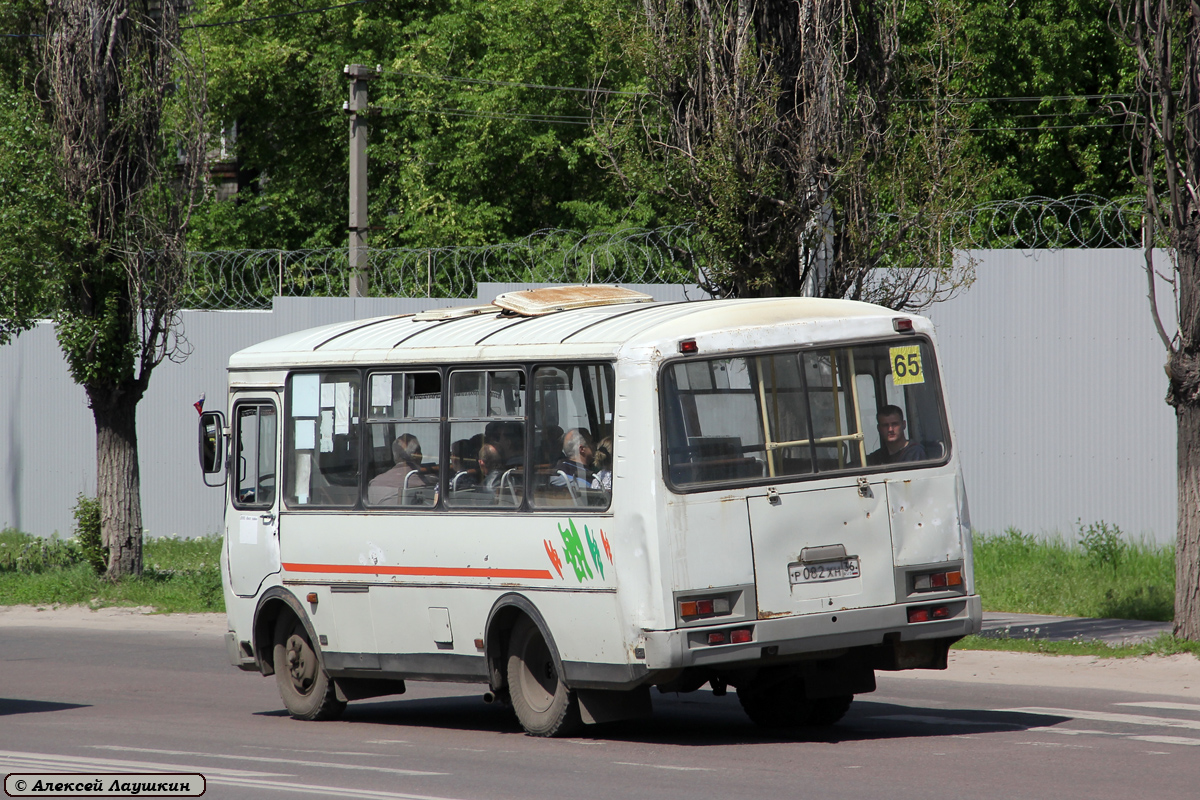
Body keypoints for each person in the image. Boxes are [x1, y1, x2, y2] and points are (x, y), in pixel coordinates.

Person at [367, 434, 427, 504]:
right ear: (416, 454)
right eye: (419, 451)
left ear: (394, 455)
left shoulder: (374, 483)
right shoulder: (427, 482)